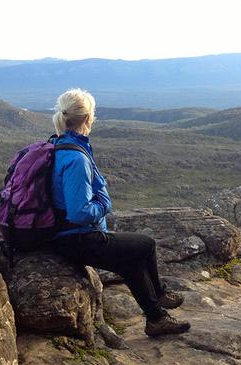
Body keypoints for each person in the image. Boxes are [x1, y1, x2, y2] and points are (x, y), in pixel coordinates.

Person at [50, 88, 190, 337]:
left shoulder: (57, 145)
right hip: (77, 238)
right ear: (88, 118)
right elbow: (79, 212)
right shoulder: (75, 158)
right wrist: (104, 203)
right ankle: (160, 295)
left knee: (130, 261)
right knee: (146, 244)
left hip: (63, 234)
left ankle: (156, 319)